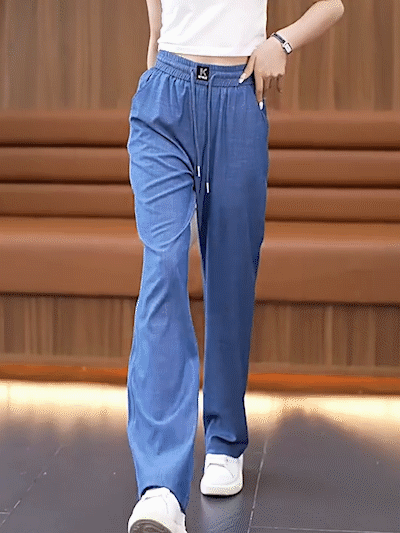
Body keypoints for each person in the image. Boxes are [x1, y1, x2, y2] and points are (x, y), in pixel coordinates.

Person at [126, 1, 345, 532]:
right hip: (165, 99)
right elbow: (158, 19)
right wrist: (157, 55)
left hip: (239, 95)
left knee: (230, 276)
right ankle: (160, 487)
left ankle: (224, 438)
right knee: (162, 271)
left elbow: (335, 4)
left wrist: (282, 42)